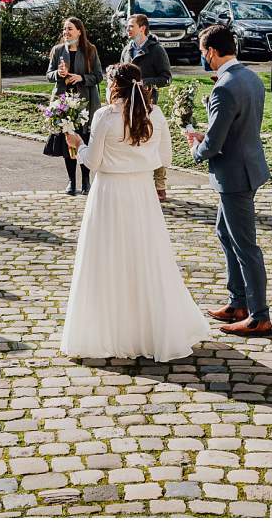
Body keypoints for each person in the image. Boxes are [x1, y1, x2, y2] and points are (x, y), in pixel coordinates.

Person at [61, 63, 209, 361]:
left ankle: (111, 331)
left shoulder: (105, 116)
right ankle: (151, 330)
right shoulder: (155, 114)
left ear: (114, 86)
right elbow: (164, 157)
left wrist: (79, 144)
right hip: (142, 194)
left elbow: (95, 162)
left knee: (108, 258)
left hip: (109, 195)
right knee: (146, 256)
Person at [186, 25, 272, 338]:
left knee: (246, 246)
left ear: (210, 51)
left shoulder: (224, 87)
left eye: (202, 51)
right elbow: (237, 127)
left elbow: (214, 144)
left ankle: (259, 316)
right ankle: (237, 302)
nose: (202, 56)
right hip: (248, 165)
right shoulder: (250, 77)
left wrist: (197, 147)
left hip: (235, 175)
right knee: (224, 232)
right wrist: (208, 134)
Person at [47, 17, 104, 195]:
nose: (66, 32)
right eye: (64, 29)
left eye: (70, 29)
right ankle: (71, 181)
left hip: (86, 102)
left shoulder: (90, 50)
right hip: (64, 103)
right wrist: (58, 73)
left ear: (79, 31)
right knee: (68, 142)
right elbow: (49, 75)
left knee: (84, 140)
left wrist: (82, 78)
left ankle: (86, 181)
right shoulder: (57, 50)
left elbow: (98, 76)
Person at [120, 13, 172, 200]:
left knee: (154, 142)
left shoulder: (156, 50)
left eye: (131, 26)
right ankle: (136, 183)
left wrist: (144, 83)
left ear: (142, 28)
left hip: (148, 103)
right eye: (127, 26)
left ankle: (160, 185)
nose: (128, 29)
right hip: (127, 104)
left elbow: (166, 78)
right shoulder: (127, 50)